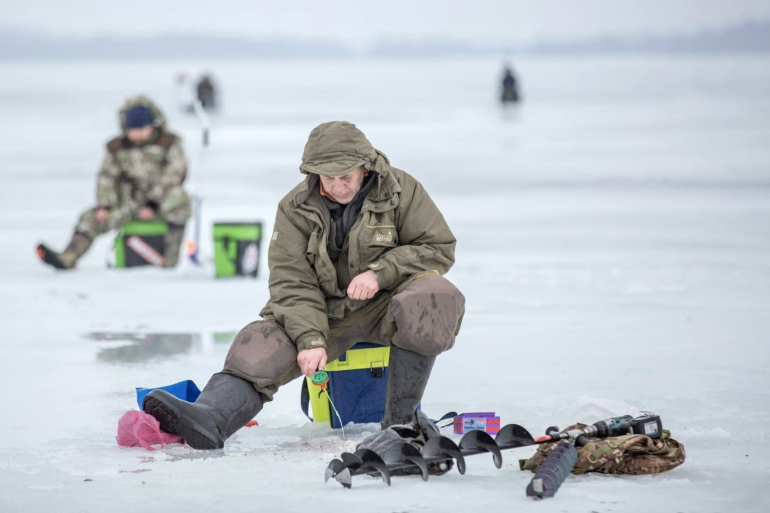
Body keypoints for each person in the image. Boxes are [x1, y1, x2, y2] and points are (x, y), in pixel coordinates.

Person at [143, 121, 465, 461]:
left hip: (388, 305)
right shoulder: (294, 208)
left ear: (365, 166)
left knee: (435, 296)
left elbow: (437, 246)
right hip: (325, 314)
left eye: (346, 177)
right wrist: (310, 338)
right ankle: (211, 416)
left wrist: (381, 272)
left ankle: (401, 426)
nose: (339, 186)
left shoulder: (402, 190)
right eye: (328, 178)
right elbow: (291, 282)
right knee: (260, 340)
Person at [37, 96, 192, 270]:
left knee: (179, 201)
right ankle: (67, 257)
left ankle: (169, 261)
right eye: (133, 129)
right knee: (89, 218)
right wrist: (105, 205)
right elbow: (106, 177)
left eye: (142, 128)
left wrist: (152, 204)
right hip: (127, 204)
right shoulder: (116, 147)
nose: (137, 134)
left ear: (152, 125)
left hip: (160, 204)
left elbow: (175, 173)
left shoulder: (169, 143)